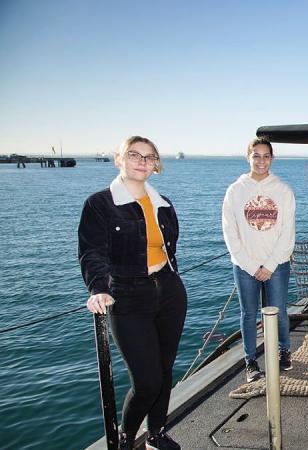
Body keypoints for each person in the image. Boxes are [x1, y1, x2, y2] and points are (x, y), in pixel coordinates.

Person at [79, 136, 186, 450]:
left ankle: (156, 434)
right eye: (135, 154)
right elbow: (91, 252)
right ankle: (126, 437)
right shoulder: (99, 204)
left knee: (165, 371)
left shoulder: (163, 205)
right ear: (119, 159)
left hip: (169, 292)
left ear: (156, 165)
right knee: (146, 380)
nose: (142, 161)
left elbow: (168, 248)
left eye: (149, 157)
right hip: (126, 297)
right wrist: (98, 288)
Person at [222, 137, 296, 381]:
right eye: (256, 155)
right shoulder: (235, 191)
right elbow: (230, 232)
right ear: (248, 157)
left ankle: (283, 351)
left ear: (272, 159)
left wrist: (270, 264)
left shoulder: (283, 191)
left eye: (266, 156)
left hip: (278, 264)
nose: (261, 160)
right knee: (248, 313)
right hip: (245, 266)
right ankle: (250, 362)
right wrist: (252, 266)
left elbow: (287, 232)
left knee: (279, 311)